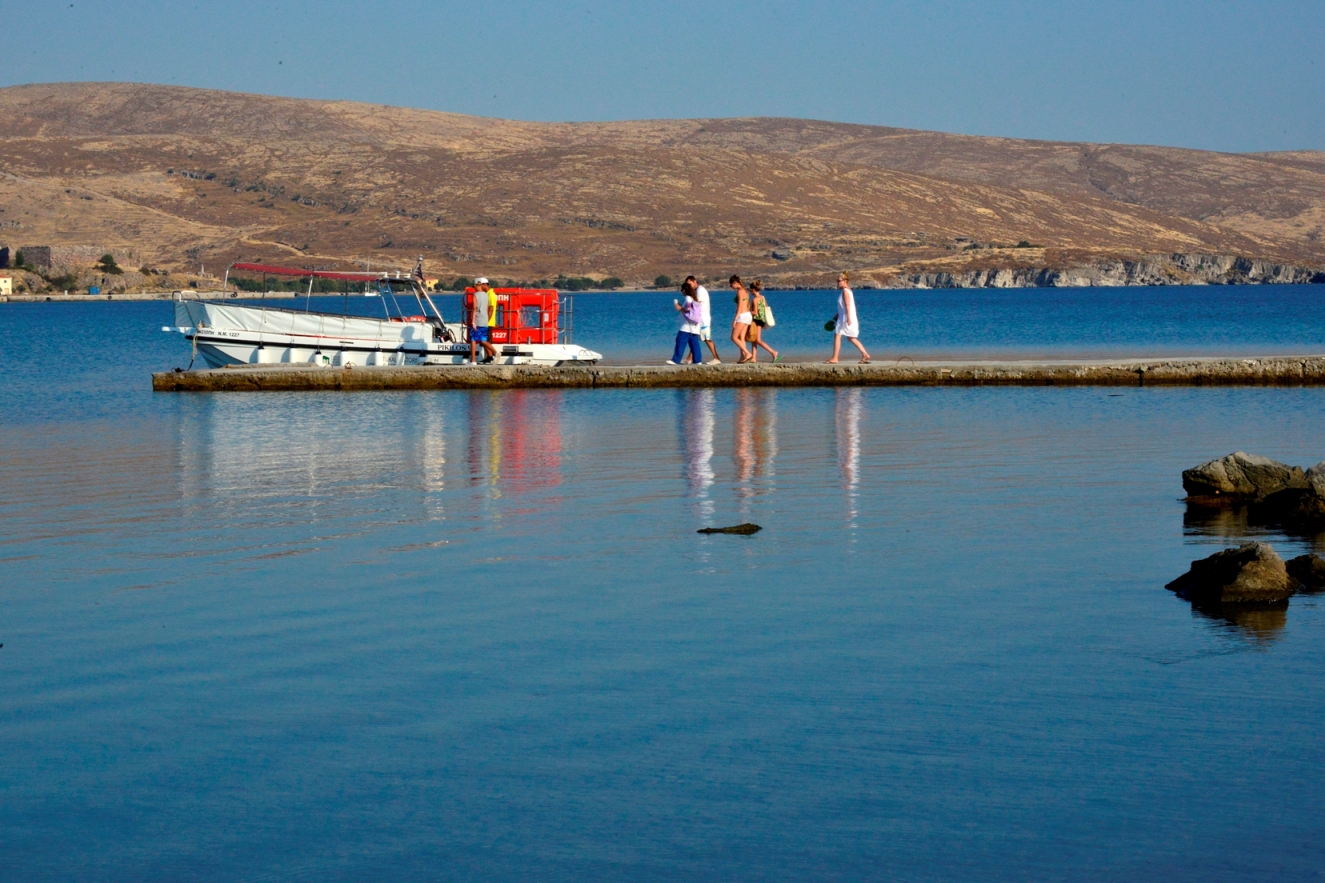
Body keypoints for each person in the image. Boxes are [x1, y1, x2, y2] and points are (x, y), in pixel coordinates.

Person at [827, 271, 871, 364]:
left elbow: (847, 306)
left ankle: (835, 358)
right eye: (837, 281)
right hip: (844, 317)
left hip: (845, 318)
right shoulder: (848, 291)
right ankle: (865, 354)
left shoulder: (845, 291)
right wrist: (837, 315)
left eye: (840, 281)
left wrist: (848, 318)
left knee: (837, 335)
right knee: (851, 337)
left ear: (845, 281)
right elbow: (844, 307)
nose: (838, 282)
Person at [681, 275, 720, 364]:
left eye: (690, 284)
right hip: (699, 319)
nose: (689, 286)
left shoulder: (700, 291)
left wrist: (684, 309)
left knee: (707, 338)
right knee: (694, 337)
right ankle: (689, 358)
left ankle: (716, 358)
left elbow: (697, 304)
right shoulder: (697, 291)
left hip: (703, 319)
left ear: (695, 281)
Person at [669, 281, 704, 365]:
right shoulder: (693, 298)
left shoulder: (688, 298)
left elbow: (688, 310)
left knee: (680, 341)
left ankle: (675, 360)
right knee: (694, 344)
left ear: (685, 290)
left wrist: (679, 308)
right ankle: (697, 361)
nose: (681, 291)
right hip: (694, 326)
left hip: (686, 326)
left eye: (682, 289)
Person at [746, 279, 779, 362]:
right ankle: (753, 358)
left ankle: (773, 352)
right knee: (753, 340)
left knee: (757, 340)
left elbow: (755, 312)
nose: (750, 292)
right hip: (762, 319)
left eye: (750, 290)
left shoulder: (755, 299)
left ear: (753, 290)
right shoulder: (762, 298)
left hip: (757, 320)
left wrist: (747, 312)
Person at [469, 277, 498, 364]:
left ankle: (474, 360)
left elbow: (489, 309)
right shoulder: (486, 295)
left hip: (482, 321)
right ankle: (490, 356)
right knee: (483, 340)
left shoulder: (489, 295)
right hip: (485, 321)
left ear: (484, 285)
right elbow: (486, 308)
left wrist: (473, 321)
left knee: (474, 339)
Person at [728, 275, 754, 363]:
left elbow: (739, 307)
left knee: (734, 337)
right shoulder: (746, 291)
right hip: (747, 315)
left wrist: (735, 319)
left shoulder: (740, 291)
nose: (731, 287)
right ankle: (742, 357)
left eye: (731, 285)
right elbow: (747, 304)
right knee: (741, 337)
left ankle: (747, 353)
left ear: (735, 283)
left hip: (742, 316)